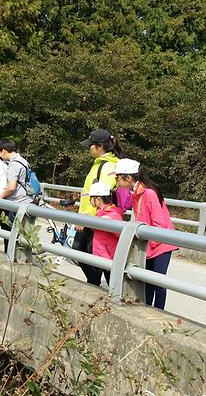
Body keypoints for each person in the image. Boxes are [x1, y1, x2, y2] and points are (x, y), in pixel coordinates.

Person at [111, 158, 177, 309]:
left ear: (128, 178)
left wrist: (149, 245)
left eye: (117, 177)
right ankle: (147, 308)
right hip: (150, 243)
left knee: (158, 282)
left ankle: (159, 312)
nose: (116, 181)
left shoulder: (149, 193)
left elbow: (158, 222)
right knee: (147, 281)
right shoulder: (136, 193)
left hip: (161, 243)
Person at [74, 129, 129, 286]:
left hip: (95, 218)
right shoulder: (99, 164)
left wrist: (88, 218)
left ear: (99, 146)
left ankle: (109, 288)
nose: (88, 149)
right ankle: (99, 284)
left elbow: (100, 194)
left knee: (90, 253)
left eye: (90, 145)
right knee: (88, 253)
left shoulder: (107, 166)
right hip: (89, 217)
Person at [0, 140, 35, 252]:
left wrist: (0, 197)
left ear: (3, 151)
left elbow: (11, 187)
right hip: (28, 201)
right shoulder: (23, 161)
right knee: (25, 235)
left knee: (11, 235)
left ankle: (11, 257)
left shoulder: (14, 164)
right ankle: (24, 259)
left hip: (17, 203)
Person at [87, 182, 124, 286]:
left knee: (113, 285)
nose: (90, 201)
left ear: (98, 199)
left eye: (91, 198)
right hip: (99, 254)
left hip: (109, 257)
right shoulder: (100, 212)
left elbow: (119, 232)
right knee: (93, 282)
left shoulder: (113, 215)